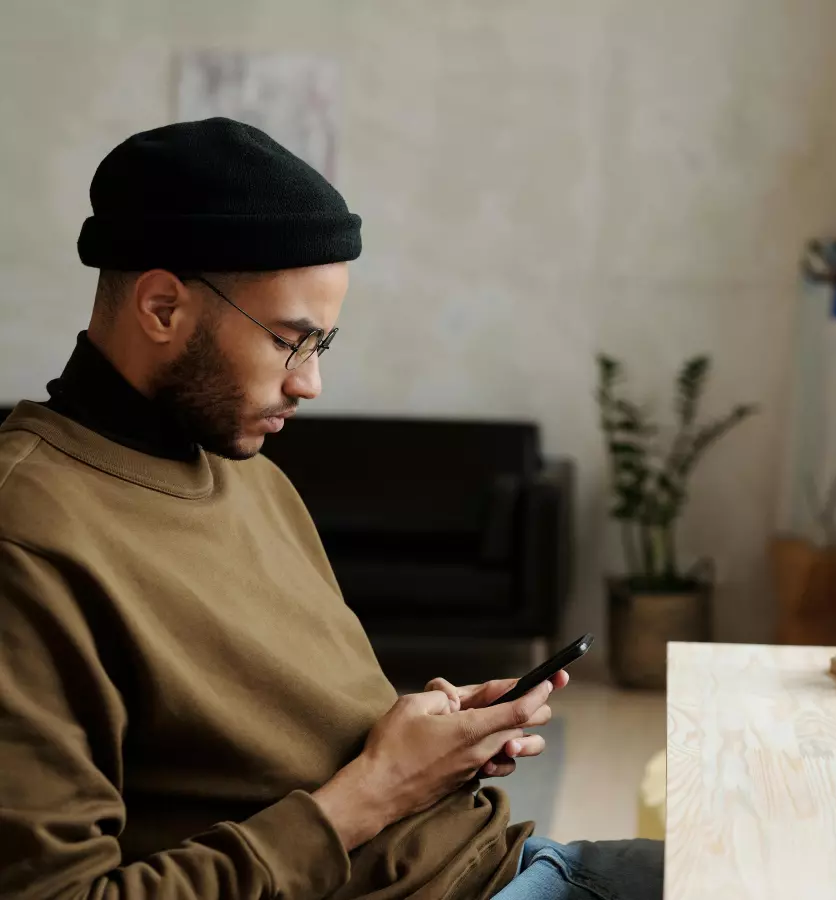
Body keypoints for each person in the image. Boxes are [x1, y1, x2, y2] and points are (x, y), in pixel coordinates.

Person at [0, 118, 663, 900]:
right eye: (290, 340)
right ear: (162, 308)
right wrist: (377, 789)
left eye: (323, 345)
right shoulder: (29, 534)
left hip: (510, 862)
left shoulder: (245, 470)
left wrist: (430, 738)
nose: (309, 383)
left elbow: (290, 733)